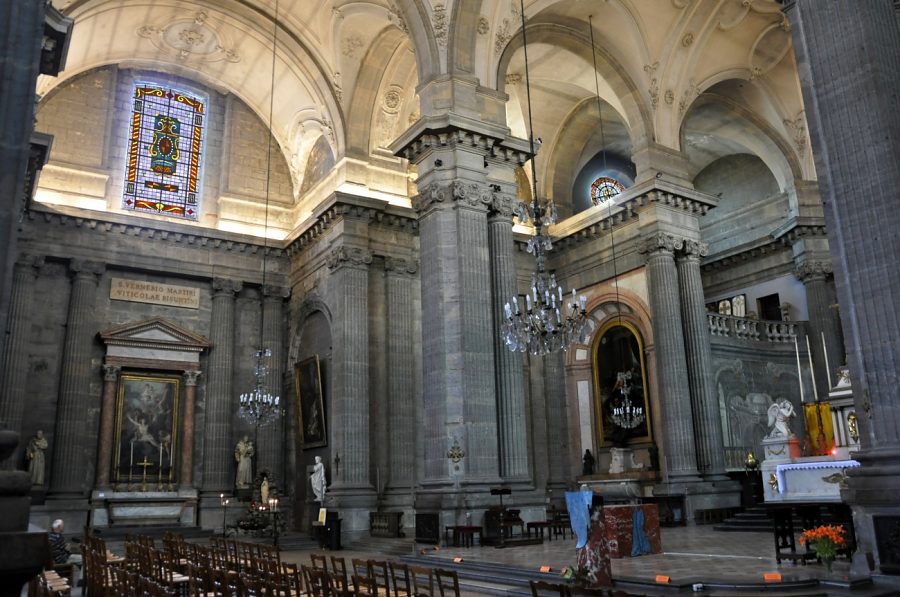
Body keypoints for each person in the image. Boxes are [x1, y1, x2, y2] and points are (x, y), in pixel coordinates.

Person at [48, 519, 82, 585]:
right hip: (62, 559)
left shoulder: (49, 535)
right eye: (62, 526)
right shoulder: (58, 537)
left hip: (55, 559)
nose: (63, 527)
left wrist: (65, 547)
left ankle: (82, 578)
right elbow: (63, 551)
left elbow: (58, 548)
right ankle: (81, 581)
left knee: (79, 560)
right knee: (85, 559)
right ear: (58, 527)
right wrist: (67, 549)